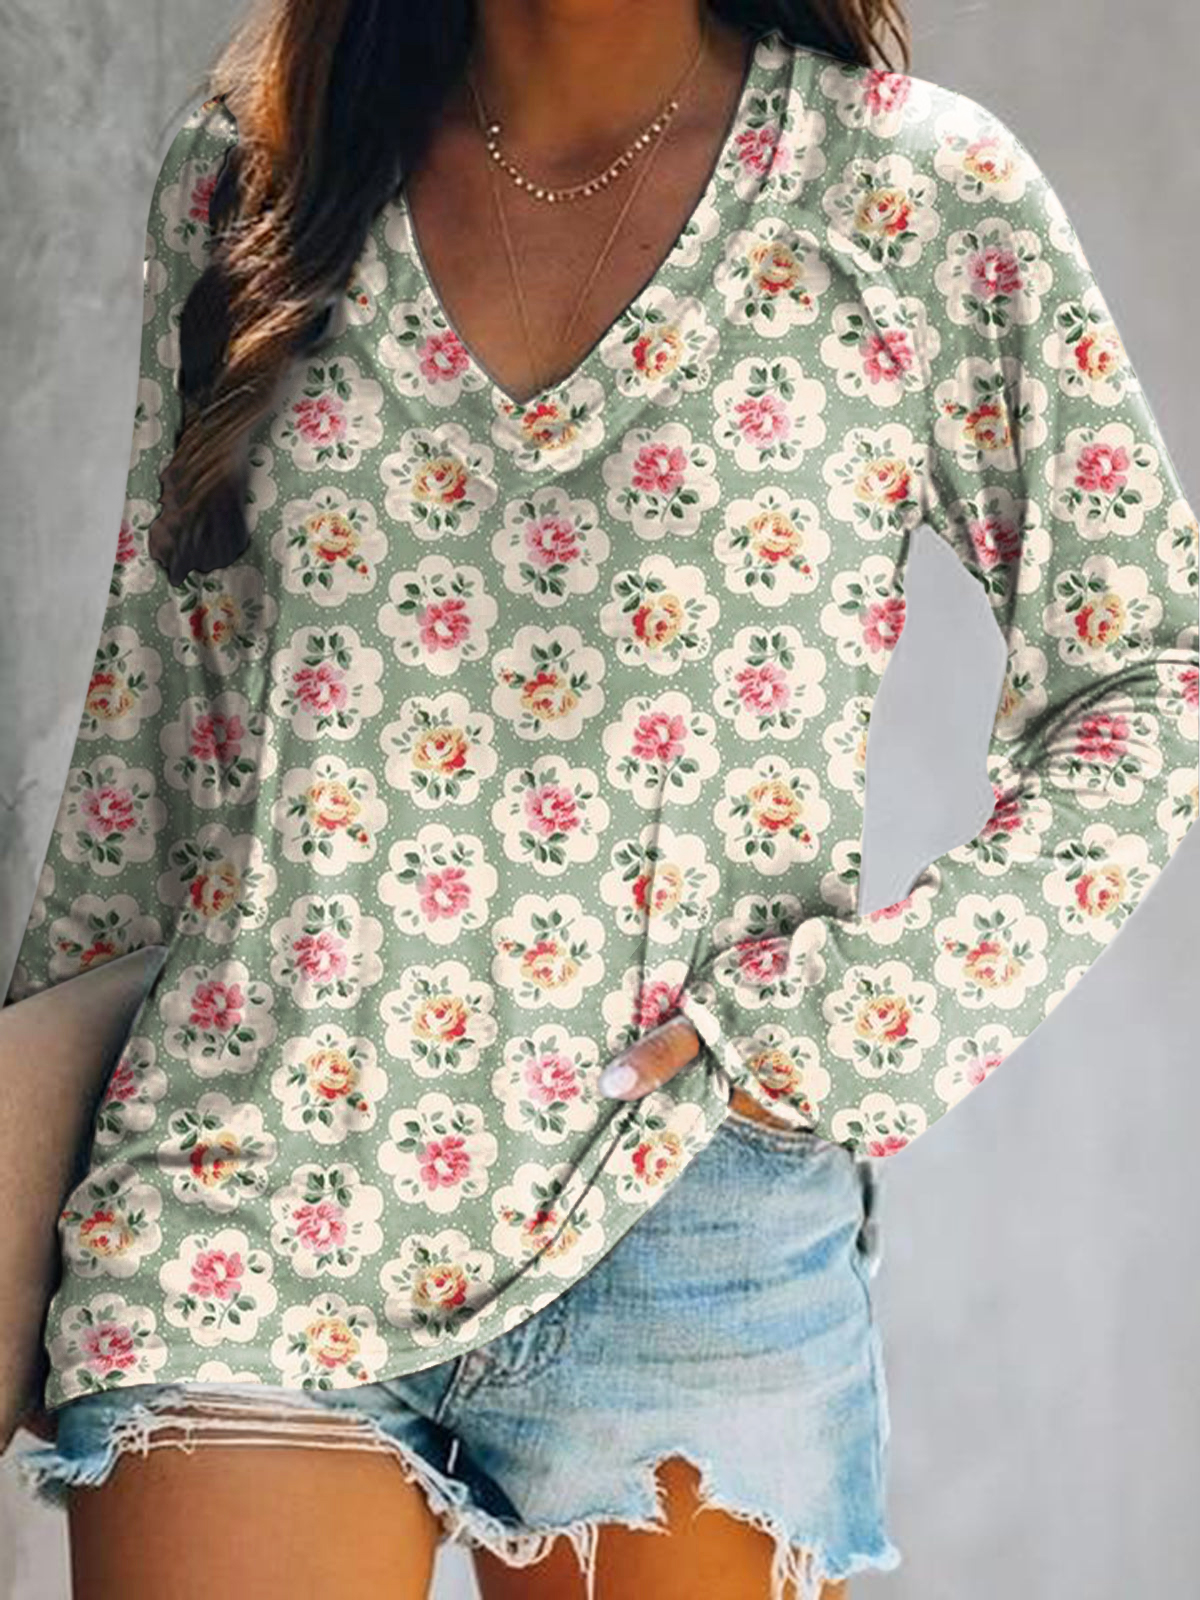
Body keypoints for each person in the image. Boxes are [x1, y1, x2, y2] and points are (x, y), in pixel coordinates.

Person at [2, 1, 1197, 1597]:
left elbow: (1150, 671)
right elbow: (162, 708)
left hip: (683, 1212)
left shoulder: (909, 193)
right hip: (250, 1186)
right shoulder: (255, 166)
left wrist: (865, 1019)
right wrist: (23, 1185)